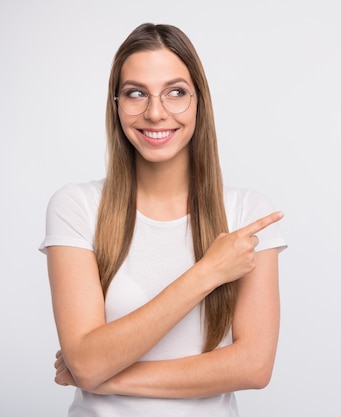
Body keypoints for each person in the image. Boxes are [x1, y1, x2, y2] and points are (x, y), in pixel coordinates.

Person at [39, 22, 287, 417]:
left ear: (199, 102)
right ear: (116, 104)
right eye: (136, 93)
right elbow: (85, 361)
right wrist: (208, 272)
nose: (156, 113)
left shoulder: (247, 215)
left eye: (176, 93)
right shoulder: (77, 207)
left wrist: (104, 376)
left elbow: (254, 367)